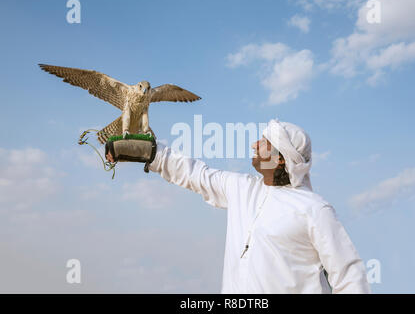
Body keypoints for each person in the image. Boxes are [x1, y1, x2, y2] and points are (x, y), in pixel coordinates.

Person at [106, 119, 371, 294]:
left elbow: (349, 275)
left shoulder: (314, 209)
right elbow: (195, 174)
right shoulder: (243, 189)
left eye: (264, 142)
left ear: (280, 159)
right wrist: (152, 153)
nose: (255, 144)